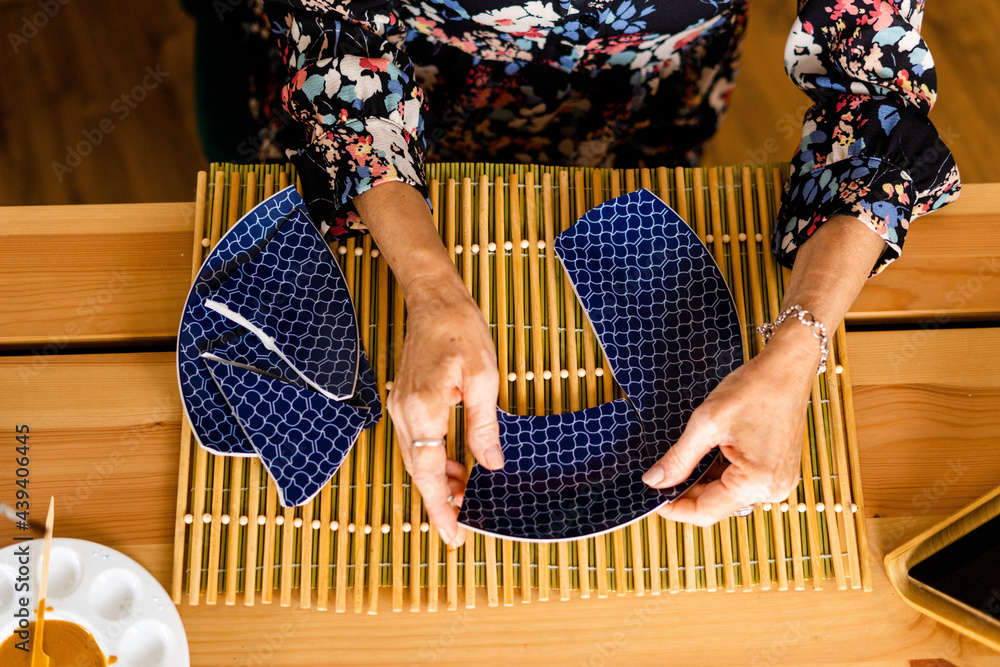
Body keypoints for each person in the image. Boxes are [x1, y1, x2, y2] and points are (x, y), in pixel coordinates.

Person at [255, 0, 960, 545]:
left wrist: (798, 346)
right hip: (395, 89)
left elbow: (875, 90)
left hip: (644, 99)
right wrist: (429, 285)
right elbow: (331, 26)